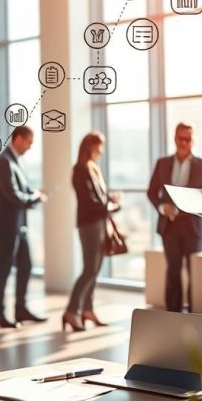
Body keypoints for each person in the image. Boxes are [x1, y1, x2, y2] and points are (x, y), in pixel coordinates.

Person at [146, 122, 202, 313]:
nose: (184, 142)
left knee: (194, 273)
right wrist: (162, 207)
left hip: (193, 227)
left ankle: (195, 315)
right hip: (169, 226)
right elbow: (152, 192)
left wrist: (197, 203)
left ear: (193, 141)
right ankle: (173, 314)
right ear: (175, 138)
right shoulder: (162, 163)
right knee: (172, 271)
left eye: (188, 139)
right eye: (181, 138)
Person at [0, 125, 48, 329]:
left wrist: (34, 193)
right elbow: (13, 196)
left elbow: (21, 190)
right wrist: (35, 197)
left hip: (19, 225)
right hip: (7, 226)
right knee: (3, 269)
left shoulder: (15, 161)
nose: (30, 147)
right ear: (18, 139)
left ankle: (20, 309)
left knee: (26, 265)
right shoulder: (3, 162)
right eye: (29, 142)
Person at [63, 132, 121, 332]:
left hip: (99, 223)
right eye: (98, 148)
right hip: (89, 225)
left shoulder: (94, 169)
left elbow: (99, 200)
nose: (101, 152)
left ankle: (87, 309)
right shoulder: (80, 170)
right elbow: (88, 202)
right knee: (89, 269)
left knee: (95, 270)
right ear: (89, 147)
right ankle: (71, 311)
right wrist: (109, 205)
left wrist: (111, 203)